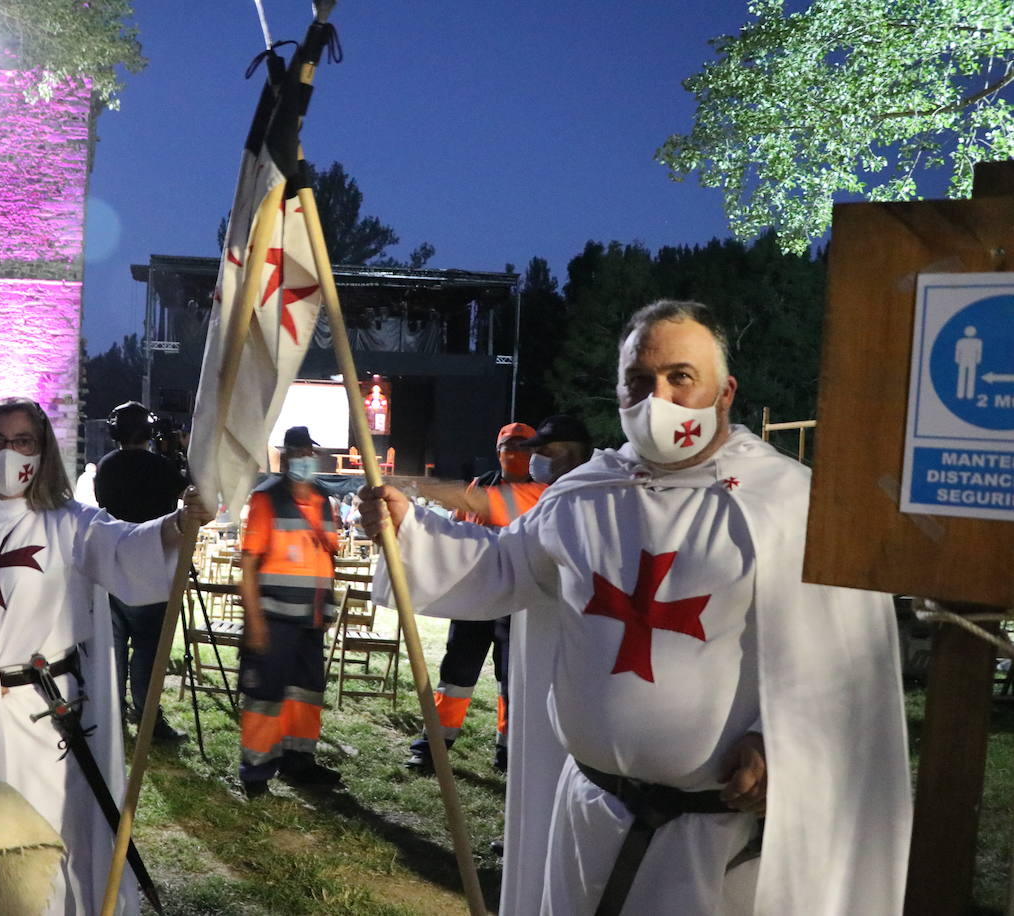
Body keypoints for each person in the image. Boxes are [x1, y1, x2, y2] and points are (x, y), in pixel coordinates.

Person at [359, 300, 910, 915]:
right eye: (639, 382)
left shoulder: (785, 503)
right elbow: (504, 567)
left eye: (681, 376)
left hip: (712, 834)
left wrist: (779, 742)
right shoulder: (585, 494)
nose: (659, 398)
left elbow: (842, 660)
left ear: (725, 391)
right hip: (590, 812)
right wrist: (410, 528)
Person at [0, 397, 210, 915]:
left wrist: (177, 525)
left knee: (42, 838)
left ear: (42, 452)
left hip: (44, 719)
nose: (8, 453)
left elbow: (125, 546)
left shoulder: (69, 523)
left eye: (23, 442)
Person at [404, 416, 592, 774]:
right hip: (477, 597)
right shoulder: (486, 485)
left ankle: (509, 752)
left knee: (513, 680)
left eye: (526, 448)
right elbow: (461, 527)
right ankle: (433, 746)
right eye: (509, 446)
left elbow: (483, 505)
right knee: (456, 673)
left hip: (518, 604)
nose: (517, 454)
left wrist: (419, 490)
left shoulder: (543, 493)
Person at [237, 426, 343, 798]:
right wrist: (254, 623)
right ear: (286, 457)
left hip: (311, 619)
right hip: (274, 618)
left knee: (306, 693)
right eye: (298, 452)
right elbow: (248, 562)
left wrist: (326, 605)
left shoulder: (323, 500)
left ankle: (300, 762)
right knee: (266, 696)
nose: (305, 459)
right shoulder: (267, 499)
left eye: (308, 452)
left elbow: (327, 556)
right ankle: (256, 773)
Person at [96, 401, 188, 741]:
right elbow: (190, 494)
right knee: (149, 646)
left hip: (112, 564)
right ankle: (148, 716)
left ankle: (114, 713)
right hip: (154, 565)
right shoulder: (160, 468)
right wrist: (177, 453)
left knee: (115, 646)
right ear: (148, 433)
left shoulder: (105, 466)